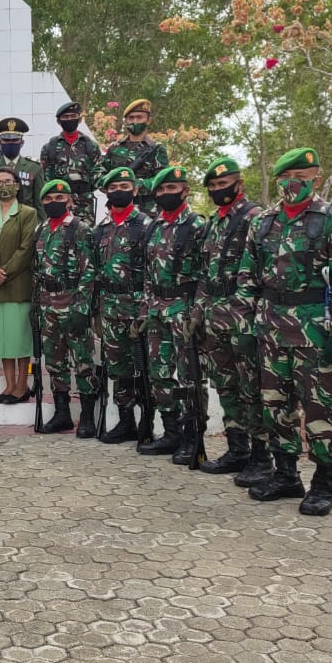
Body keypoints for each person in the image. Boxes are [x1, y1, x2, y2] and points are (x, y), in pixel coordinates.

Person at [235, 147, 332, 516]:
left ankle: (324, 483)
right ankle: (286, 474)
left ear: (316, 180)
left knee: (320, 408)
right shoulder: (263, 223)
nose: (294, 186)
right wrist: (246, 324)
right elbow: (247, 279)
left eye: (303, 180)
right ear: (278, 181)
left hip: (315, 332)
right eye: (288, 180)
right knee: (276, 406)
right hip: (271, 328)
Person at [193, 158, 266, 480]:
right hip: (215, 317)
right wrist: (197, 312)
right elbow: (204, 273)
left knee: (253, 388)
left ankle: (262, 457)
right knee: (226, 386)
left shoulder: (255, 218)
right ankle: (238, 450)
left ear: (239, 184)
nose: (218, 190)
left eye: (224, 184)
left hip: (243, 317)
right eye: (213, 187)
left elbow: (264, 271)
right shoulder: (214, 223)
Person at [136, 166, 207, 460]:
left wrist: (198, 313)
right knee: (160, 374)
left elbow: (207, 272)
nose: (166, 194)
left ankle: (193, 436)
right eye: (161, 190)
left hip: (184, 310)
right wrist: (144, 310)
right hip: (156, 312)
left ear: (185, 190)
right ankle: (171, 432)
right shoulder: (153, 226)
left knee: (190, 376)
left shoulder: (196, 225)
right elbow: (147, 273)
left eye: (172, 188)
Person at [91, 166, 152, 444]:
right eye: (113, 188)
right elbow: (94, 272)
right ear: (106, 192)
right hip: (110, 307)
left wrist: (148, 308)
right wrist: (95, 311)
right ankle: (126, 421)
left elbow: (154, 270)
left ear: (135, 190)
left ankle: (149, 421)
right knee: (118, 368)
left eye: (124, 187)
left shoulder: (147, 225)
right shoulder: (101, 229)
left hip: (138, 306)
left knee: (145, 366)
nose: (119, 191)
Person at [33, 179, 97, 433]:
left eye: (59, 199)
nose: (54, 203)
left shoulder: (81, 229)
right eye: (48, 200)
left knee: (82, 361)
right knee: (55, 362)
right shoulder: (41, 229)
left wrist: (82, 308)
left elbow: (89, 272)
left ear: (70, 201)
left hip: (72, 304)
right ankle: (62, 414)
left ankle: (88, 417)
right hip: (47, 306)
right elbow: (37, 271)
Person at [0, 167, 37, 404]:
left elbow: (26, 248)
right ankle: (9, 385)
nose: (4, 186)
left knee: (20, 339)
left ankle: (23, 385)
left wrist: (6, 272)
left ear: (17, 185)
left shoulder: (27, 213)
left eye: (8, 181)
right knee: (2, 338)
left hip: (17, 284)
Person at [98, 98, 169, 215]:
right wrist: (112, 185)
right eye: (131, 118)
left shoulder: (156, 149)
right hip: (118, 209)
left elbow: (162, 180)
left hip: (147, 211)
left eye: (139, 117)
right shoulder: (114, 148)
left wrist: (136, 184)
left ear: (148, 120)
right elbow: (98, 174)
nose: (135, 121)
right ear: (126, 121)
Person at [40, 101, 102, 224]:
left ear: (79, 119)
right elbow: (45, 178)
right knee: (59, 236)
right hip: (59, 203)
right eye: (65, 117)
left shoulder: (91, 146)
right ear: (58, 121)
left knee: (84, 237)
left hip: (84, 204)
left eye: (73, 116)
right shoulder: (50, 147)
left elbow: (98, 173)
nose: (70, 119)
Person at [0, 117, 43, 210]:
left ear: (22, 143)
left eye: (15, 140)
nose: (10, 143)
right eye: (6, 140)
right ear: (0, 142)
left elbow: (39, 203)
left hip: (26, 220)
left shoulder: (34, 168)